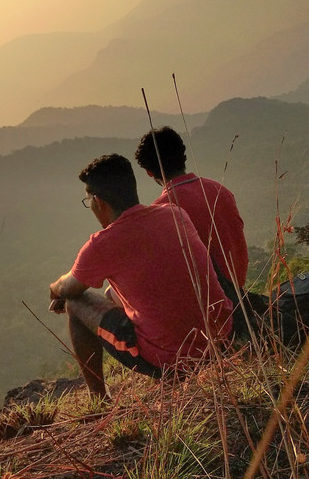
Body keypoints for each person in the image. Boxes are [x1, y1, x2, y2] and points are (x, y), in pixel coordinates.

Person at [48, 154, 232, 399]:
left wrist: (55, 290)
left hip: (169, 361)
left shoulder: (102, 244)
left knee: (76, 304)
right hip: (221, 338)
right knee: (111, 294)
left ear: (98, 201)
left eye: (88, 200)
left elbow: (69, 289)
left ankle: (98, 399)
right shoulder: (174, 214)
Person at [134, 126, 249, 289]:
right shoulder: (219, 190)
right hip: (238, 287)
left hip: (208, 298)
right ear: (183, 156)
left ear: (149, 172)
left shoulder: (162, 210)